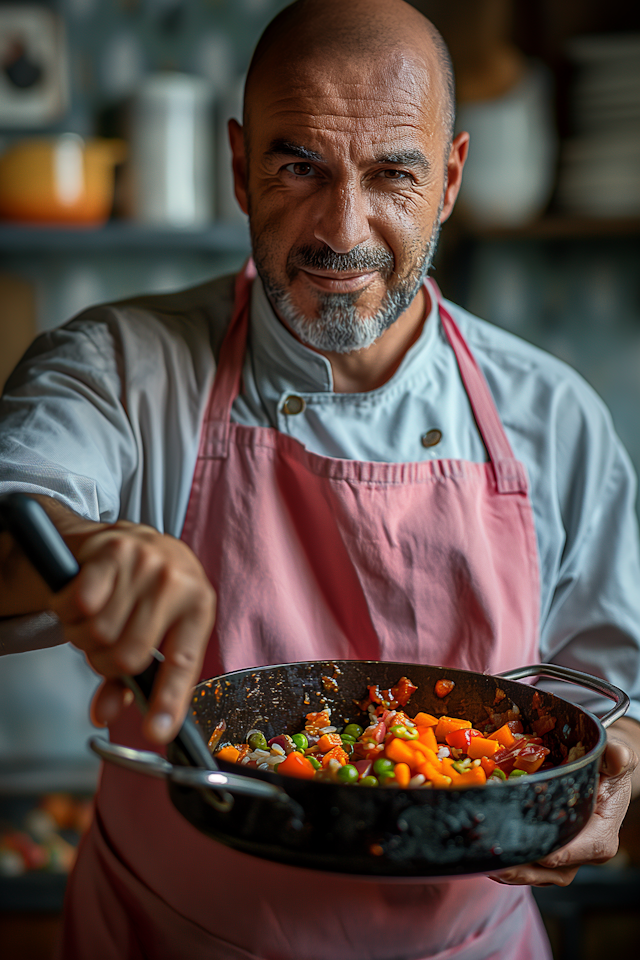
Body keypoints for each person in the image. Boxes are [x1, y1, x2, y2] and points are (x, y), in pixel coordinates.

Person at [1, 0, 639, 957]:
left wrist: (619, 767)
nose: (342, 229)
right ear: (237, 167)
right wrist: (87, 550)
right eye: (299, 165)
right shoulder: (115, 366)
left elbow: (616, 702)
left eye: (393, 174)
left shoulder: (556, 418)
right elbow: (16, 507)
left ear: (453, 177)